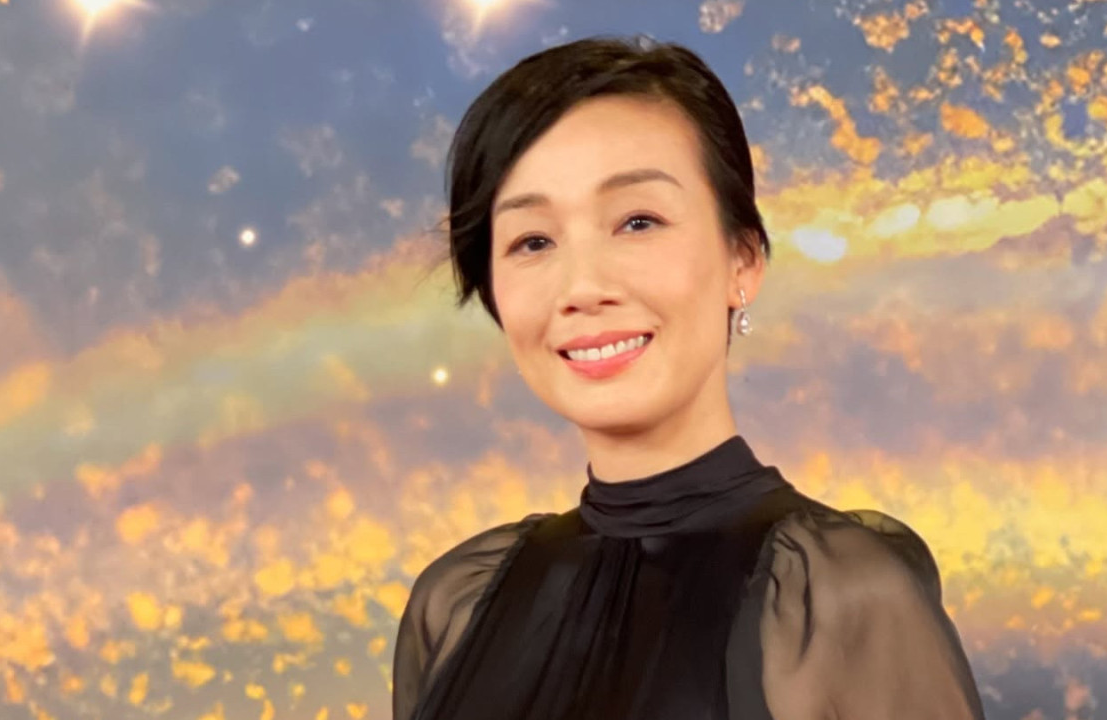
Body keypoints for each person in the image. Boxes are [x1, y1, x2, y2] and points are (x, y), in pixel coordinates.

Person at [393, 35, 986, 720]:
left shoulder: (835, 596)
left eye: (637, 222)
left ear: (743, 261)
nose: (582, 287)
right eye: (534, 241)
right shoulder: (457, 602)